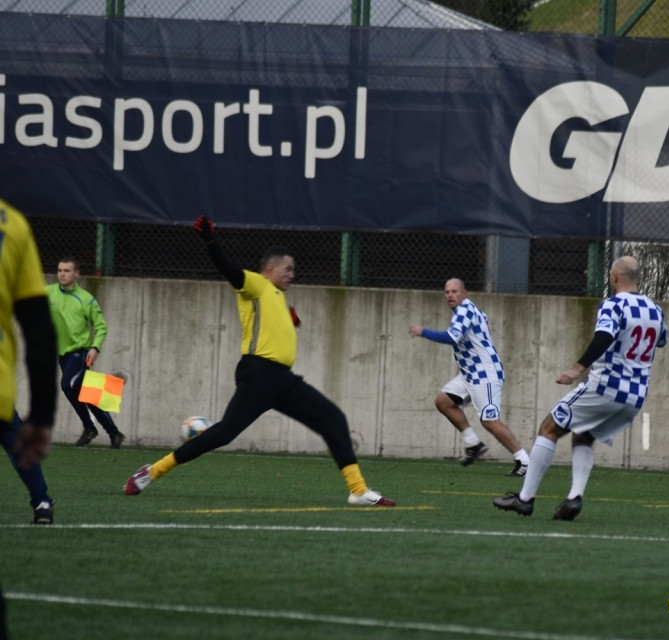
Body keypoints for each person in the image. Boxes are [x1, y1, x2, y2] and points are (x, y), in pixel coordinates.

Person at [124, 214, 395, 507]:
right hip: (259, 375)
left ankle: (358, 490)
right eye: (287, 268)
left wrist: (289, 320)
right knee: (225, 433)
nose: (293, 273)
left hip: (283, 380)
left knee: (333, 419)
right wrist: (211, 240)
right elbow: (228, 270)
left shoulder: (277, 295)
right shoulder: (257, 284)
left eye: (294, 269)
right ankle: (151, 472)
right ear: (269, 269)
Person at [493, 256, 667, 520]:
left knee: (549, 427)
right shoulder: (655, 310)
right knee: (583, 434)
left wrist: (577, 368)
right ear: (639, 279)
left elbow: (605, 335)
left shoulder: (612, 304)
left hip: (606, 387)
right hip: (635, 396)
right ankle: (574, 498)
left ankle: (524, 499)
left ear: (614, 277)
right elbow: (661, 340)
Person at [0, 197, 59, 638]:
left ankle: (42, 500)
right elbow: (39, 332)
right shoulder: (13, 224)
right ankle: (42, 500)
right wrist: (43, 416)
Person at [409, 278, 530, 475]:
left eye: (455, 291)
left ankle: (524, 461)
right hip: (469, 374)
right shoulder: (469, 310)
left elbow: (452, 337)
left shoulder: (465, 310)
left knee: (490, 421)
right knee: (443, 401)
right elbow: (485, 325)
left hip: (485, 374)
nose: (450, 295)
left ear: (464, 294)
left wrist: (423, 332)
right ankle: (473, 443)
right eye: (447, 292)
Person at [46, 256, 125, 448]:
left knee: (67, 385)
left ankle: (89, 427)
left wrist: (95, 348)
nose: (62, 274)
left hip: (80, 352)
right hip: (62, 354)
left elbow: (101, 327)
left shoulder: (86, 299)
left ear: (76, 274)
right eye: (59, 270)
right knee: (87, 395)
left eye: (66, 271)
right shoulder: (48, 293)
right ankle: (114, 433)